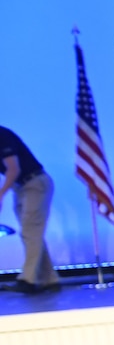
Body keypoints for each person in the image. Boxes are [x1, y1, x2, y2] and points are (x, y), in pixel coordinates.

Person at [0, 124, 57, 294]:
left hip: (34, 183)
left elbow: (13, 169)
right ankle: (49, 279)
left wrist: (1, 194)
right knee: (33, 233)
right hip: (21, 187)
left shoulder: (1, 135)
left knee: (30, 232)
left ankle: (28, 280)